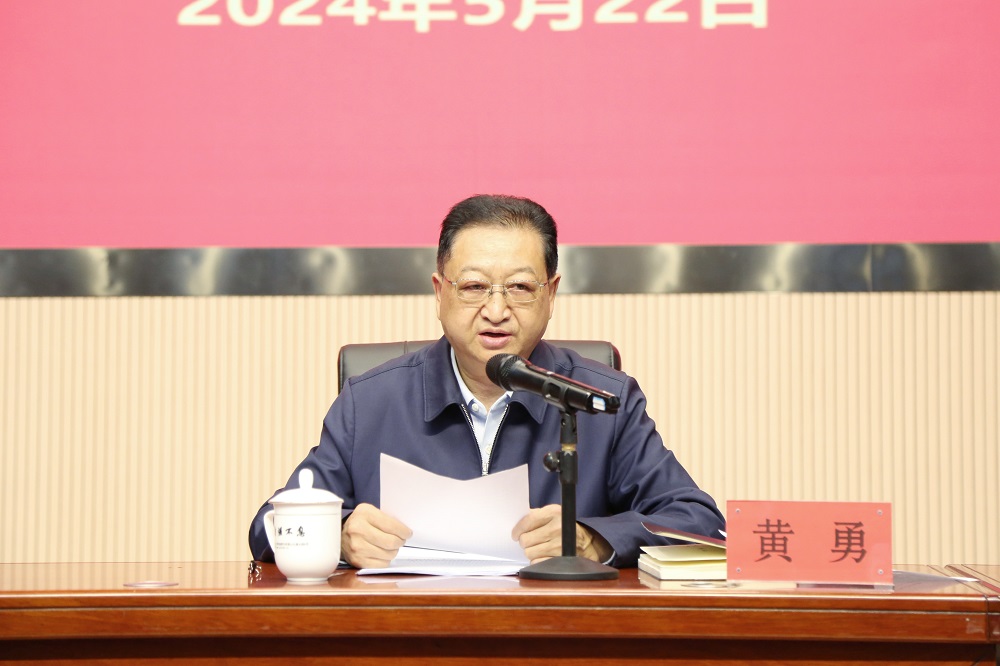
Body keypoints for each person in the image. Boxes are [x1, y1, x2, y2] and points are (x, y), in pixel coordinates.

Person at [249, 194, 725, 568]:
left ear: (551, 294)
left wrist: (593, 540)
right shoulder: (371, 402)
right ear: (439, 293)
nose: (496, 311)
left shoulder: (602, 401)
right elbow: (267, 527)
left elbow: (701, 524)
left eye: (520, 287)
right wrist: (339, 534)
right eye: (474, 287)